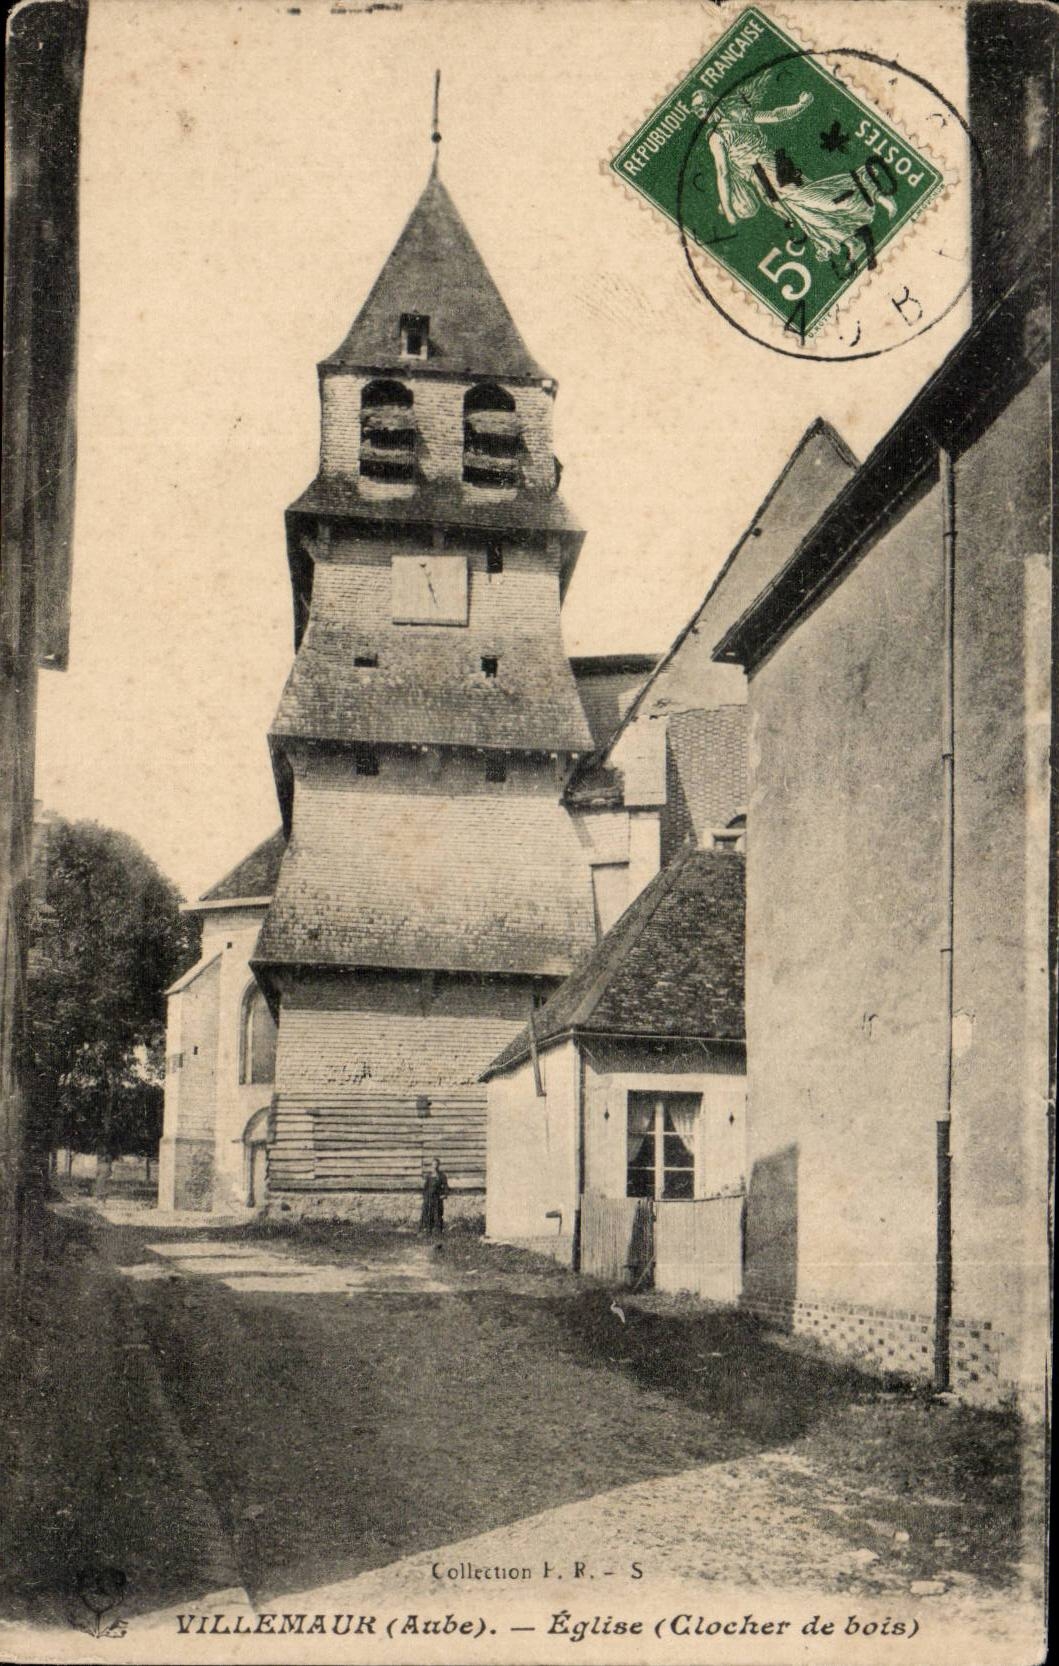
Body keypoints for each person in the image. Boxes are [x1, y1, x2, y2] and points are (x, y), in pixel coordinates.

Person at [694, 72, 896, 266]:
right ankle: (851, 241)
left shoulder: (717, 136)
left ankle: (872, 190)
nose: (701, 112)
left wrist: (729, 210)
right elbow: (774, 116)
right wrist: (800, 105)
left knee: (811, 200)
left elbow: (723, 172)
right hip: (766, 171)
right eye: (697, 110)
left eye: (702, 107)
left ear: (711, 103)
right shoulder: (735, 117)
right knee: (801, 210)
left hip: (768, 169)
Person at [419, 1157, 449, 1236]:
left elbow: (446, 1186)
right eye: (433, 1164)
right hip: (429, 1198)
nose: (435, 1166)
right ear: (432, 1165)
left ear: (439, 1165)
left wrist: (444, 1195)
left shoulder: (442, 1176)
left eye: (436, 1164)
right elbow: (425, 1187)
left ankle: (438, 1231)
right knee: (427, 1213)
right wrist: (424, 1196)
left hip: (437, 1198)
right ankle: (427, 1230)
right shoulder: (429, 1176)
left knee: (438, 1213)